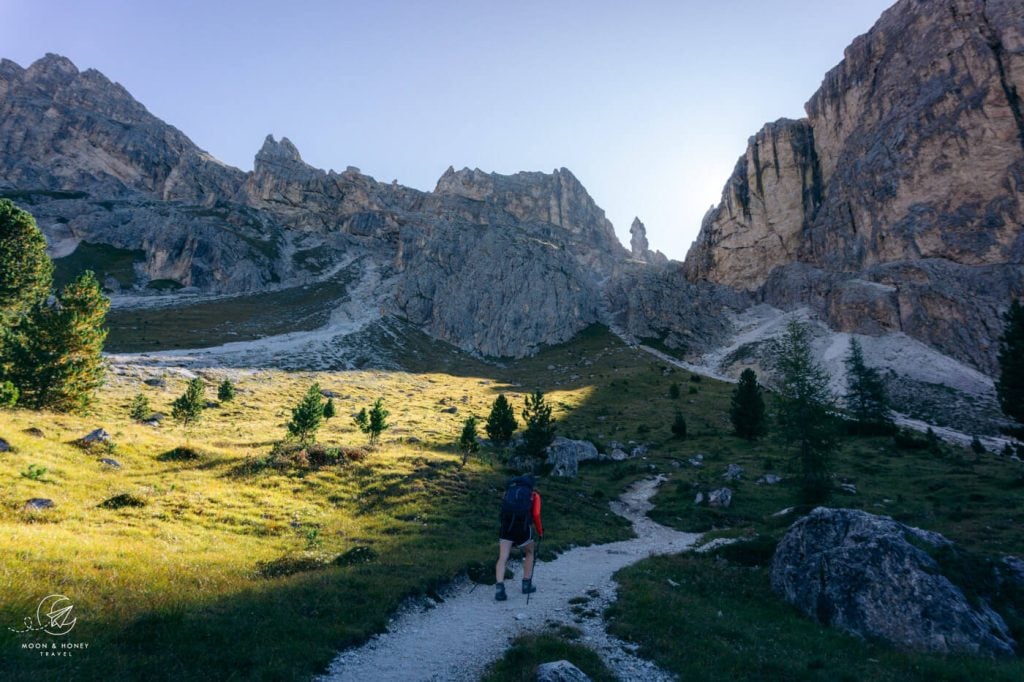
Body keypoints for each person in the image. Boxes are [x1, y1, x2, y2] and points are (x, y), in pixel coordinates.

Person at [495, 474, 543, 601]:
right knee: (529, 552)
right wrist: (540, 531)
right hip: (522, 528)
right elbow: (536, 514)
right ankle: (526, 584)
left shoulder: (508, 492)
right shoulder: (534, 495)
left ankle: (499, 588)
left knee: (503, 556)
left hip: (506, 527)